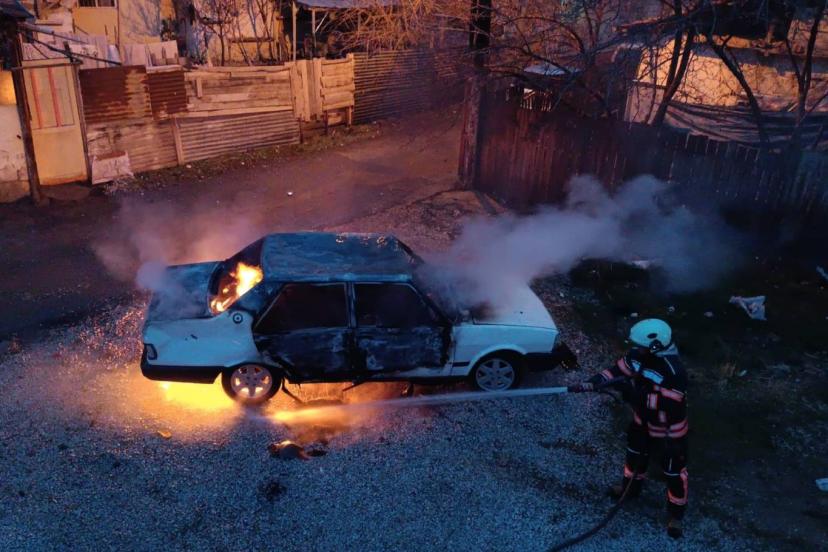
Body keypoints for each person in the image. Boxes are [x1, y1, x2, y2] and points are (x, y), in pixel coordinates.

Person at [569, 318, 688, 539]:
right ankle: (630, 490)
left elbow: (670, 403)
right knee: (634, 459)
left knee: (673, 472)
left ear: (655, 346)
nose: (636, 349)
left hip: (669, 432)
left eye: (641, 346)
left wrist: (633, 393)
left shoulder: (673, 371)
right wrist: (594, 382)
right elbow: (616, 371)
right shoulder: (638, 356)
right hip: (642, 423)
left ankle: (676, 515)